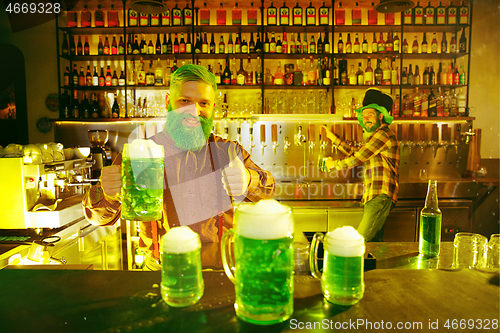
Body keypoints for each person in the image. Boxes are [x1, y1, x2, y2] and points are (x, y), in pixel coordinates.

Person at [83, 64, 275, 270]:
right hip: (160, 270)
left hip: (219, 269)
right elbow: (95, 217)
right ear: (168, 102)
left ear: (212, 107)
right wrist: (109, 193)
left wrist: (247, 179)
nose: (195, 111)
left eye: (204, 103)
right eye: (185, 101)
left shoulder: (228, 151)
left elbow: (269, 189)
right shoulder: (139, 153)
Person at [320, 88, 399, 242]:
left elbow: (357, 158)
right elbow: (356, 151)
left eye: (370, 114)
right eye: (364, 115)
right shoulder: (377, 136)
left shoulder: (382, 134)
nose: (366, 118)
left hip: (379, 195)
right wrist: (332, 138)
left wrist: (332, 165)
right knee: (375, 244)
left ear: (381, 116)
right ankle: (374, 267)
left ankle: (349, 266)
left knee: (359, 242)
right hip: (376, 195)